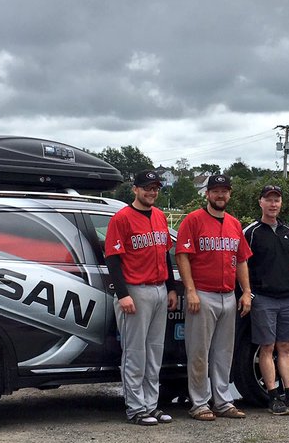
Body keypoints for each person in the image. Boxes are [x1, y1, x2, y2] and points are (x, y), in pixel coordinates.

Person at [104, 169, 180, 425]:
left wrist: (171, 287)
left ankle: (151, 405)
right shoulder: (122, 218)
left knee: (154, 353)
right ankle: (135, 408)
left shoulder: (159, 216)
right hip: (135, 290)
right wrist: (123, 294)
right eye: (147, 187)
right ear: (135, 189)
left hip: (159, 289)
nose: (152, 192)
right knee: (135, 354)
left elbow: (165, 255)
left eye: (155, 188)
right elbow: (113, 259)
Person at [175, 174, 253, 421]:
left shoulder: (234, 224)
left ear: (229, 194)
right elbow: (182, 255)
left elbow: (241, 259)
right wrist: (190, 290)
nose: (221, 195)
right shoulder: (193, 220)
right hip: (203, 293)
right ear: (207, 194)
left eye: (224, 191)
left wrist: (246, 292)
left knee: (223, 353)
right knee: (199, 352)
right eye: (216, 191)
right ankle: (199, 403)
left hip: (228, 295)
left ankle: (222, 401)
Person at [243, 184, 289, 415]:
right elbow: (243, 265)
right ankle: (273, 396)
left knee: (286, 346)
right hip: (264, 298)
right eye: (269, 200)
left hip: (288, 296)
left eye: (277, 200)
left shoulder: (288, 232)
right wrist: (249, 293)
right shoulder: (251, 232)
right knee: (267, 347)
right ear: (260, 202)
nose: (273, 204)